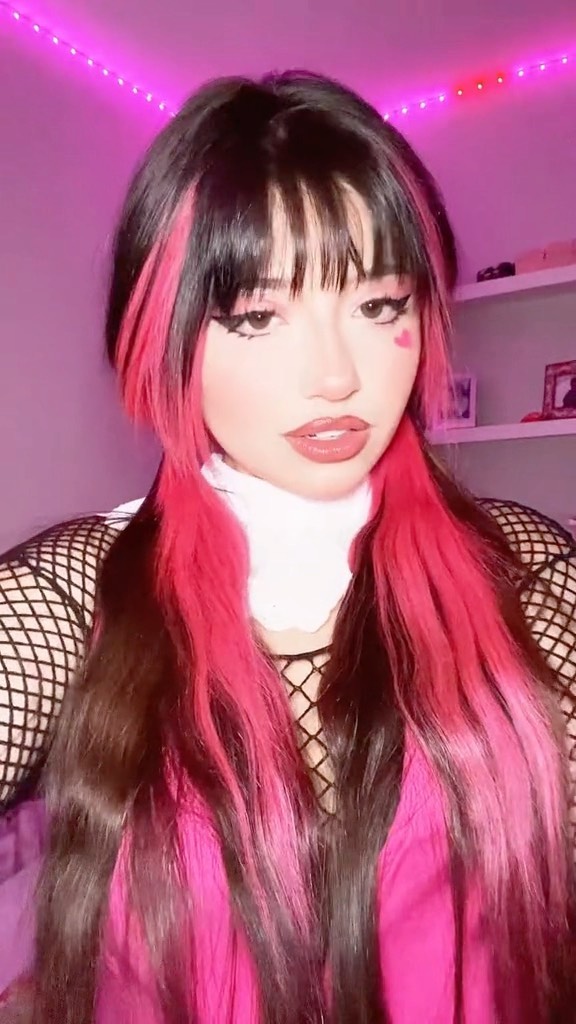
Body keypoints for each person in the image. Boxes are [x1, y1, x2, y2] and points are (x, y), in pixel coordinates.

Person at [0, 71, 574, 1024]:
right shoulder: (78, 596)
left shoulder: (522, 570)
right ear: (164, 339)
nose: (335, 376)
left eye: (379, 305)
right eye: (258, 317)